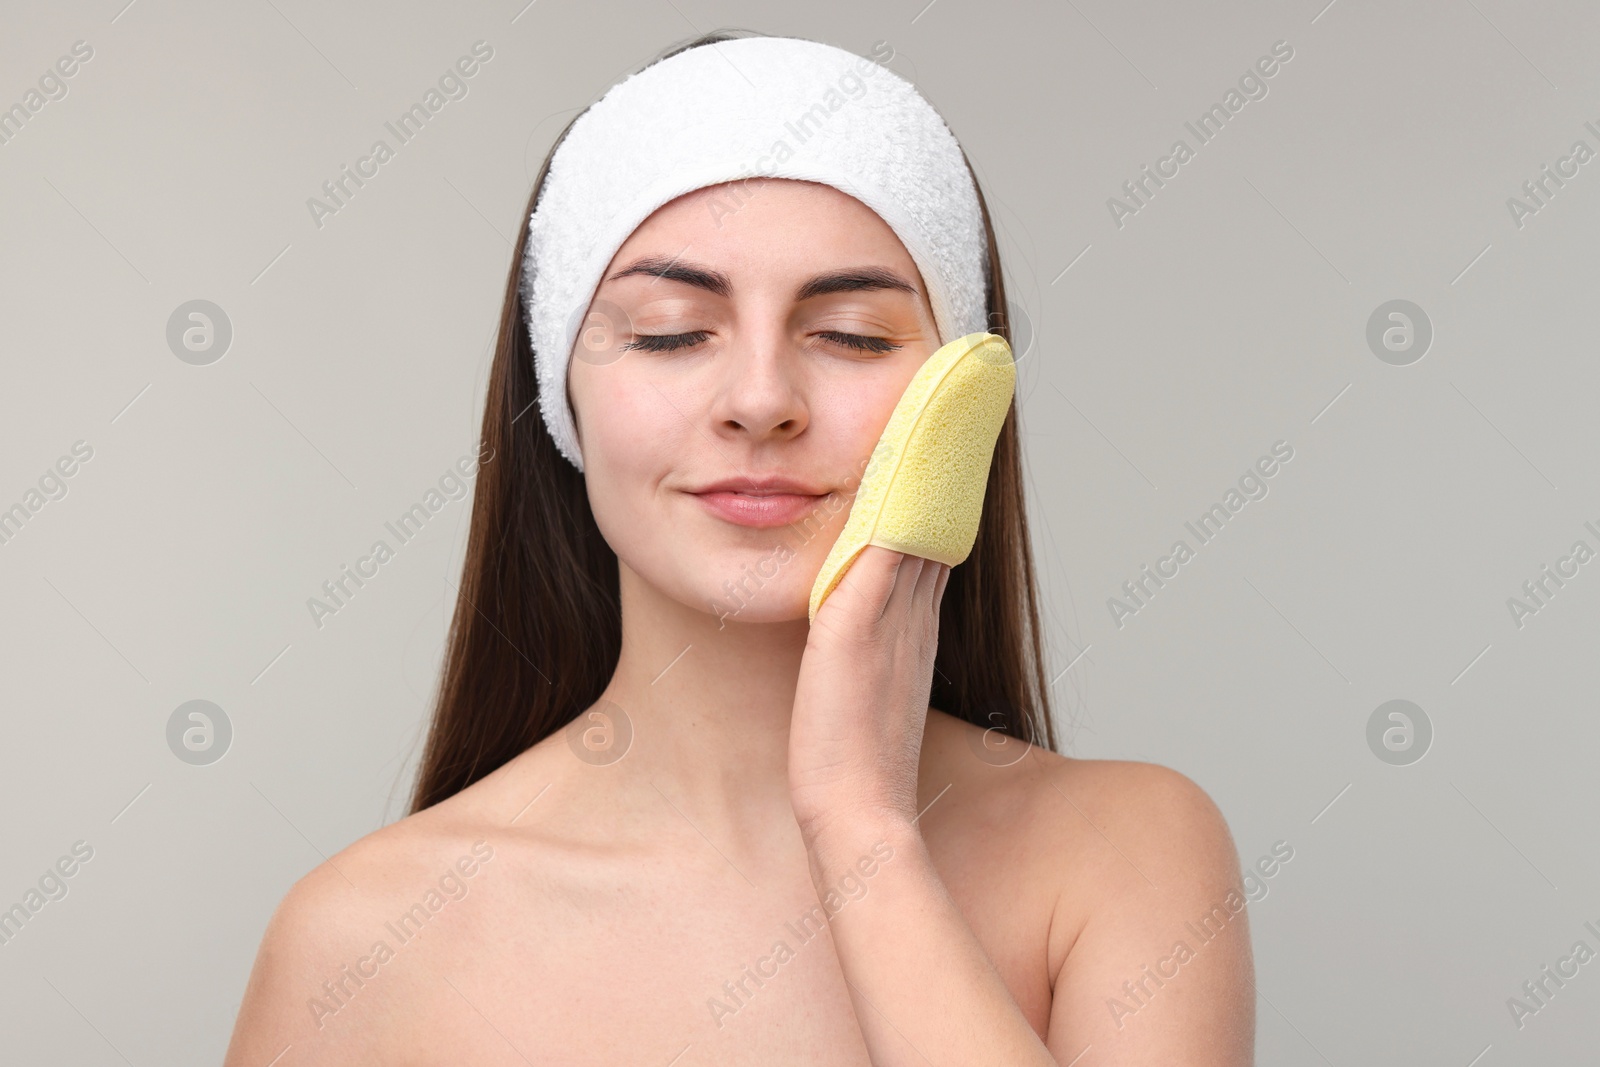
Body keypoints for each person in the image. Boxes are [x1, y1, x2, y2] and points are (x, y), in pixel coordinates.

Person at [225, 29, 1253, 1066]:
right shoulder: (359, 940)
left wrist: (862, 829)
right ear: (560, 399)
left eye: (851, 333)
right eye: (671, 332)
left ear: (959, 406)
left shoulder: (1126, 852)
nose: (760, 401)